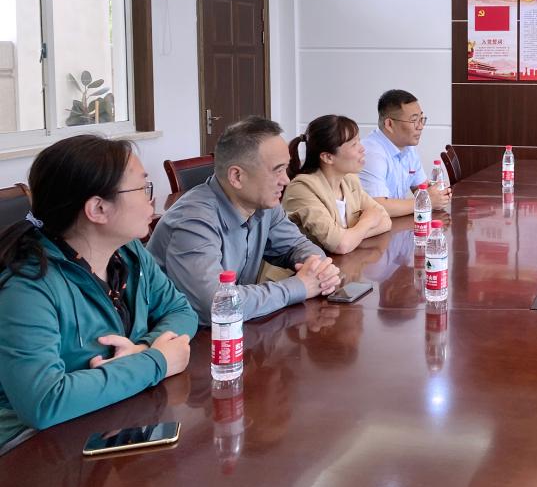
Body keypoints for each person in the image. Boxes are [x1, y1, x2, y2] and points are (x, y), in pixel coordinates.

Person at [0, 136, 197, 452]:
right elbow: (44, 402)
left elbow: (180, 310)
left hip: (108, 417)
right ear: (98, 208)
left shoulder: (130, 253)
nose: (152, 199)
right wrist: (157, 361)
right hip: (30, 448)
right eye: (142, 188)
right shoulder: (28, 288)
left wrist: (143, 348)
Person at [148, 116, 341, 325]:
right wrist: (299, 286)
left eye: (286, 169)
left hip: (235, 331)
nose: (286, 180)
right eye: (277, 170)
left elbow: (297, 245)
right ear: (237, 177)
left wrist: (318, 268)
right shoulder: (192, 222)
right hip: (181, 337)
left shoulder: (265, 205)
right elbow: (218, 305)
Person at [282, 114, 392, 254]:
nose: (362, 148)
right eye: (354, 144)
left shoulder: (349, 180)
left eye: (359, 141)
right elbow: (341, 245)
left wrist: (349, 235)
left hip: (338, 264)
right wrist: (368, 221)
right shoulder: (302, 188)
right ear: (328, 157)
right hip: (301, 267)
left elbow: (385, 220)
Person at [359, 89, 451, 217]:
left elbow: (421, 188)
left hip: (396, 224)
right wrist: (427, 200)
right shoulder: (371, 153)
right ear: (389, 124)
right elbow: (378, 207)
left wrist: (439, 193)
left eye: (421, 119)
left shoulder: (407, 148)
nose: (420, 126)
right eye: (414, 120)